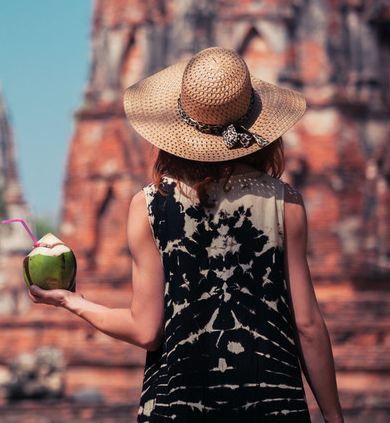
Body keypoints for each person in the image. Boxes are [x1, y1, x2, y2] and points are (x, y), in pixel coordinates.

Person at [30, 47, 343, 422]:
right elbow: (306, 326)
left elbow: (147, 331)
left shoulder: (148, 206)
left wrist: (72, 301)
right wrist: (335, 418)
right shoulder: (284, 203)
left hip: (179, 408)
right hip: (271, 407)